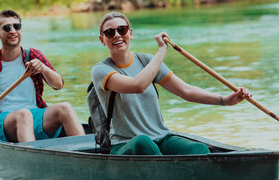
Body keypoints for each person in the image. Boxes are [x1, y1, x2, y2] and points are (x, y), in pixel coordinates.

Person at [91, 11, 251, 155]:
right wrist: (161, 51)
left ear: (130, 33)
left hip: (161, 138)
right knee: (143, 142)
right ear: (102, 40)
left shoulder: (147, 61)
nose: (117, 35)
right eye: (109, 32)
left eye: (122, 30)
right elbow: (137, 86)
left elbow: (186, 91)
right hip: (125, 145)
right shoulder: (100, 70)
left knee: (199, 149)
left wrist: (226, 100)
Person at [0, 9, 84, 142]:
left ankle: (86, 156)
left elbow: (58, 85)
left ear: (21, 30)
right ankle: (31, 158)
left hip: (35, 114)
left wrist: (44, 69)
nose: (12, 31)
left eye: (16, 26)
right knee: (24, 114)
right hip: (1, 119)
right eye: (6, 28)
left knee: (65, 108)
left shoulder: (33, 55)